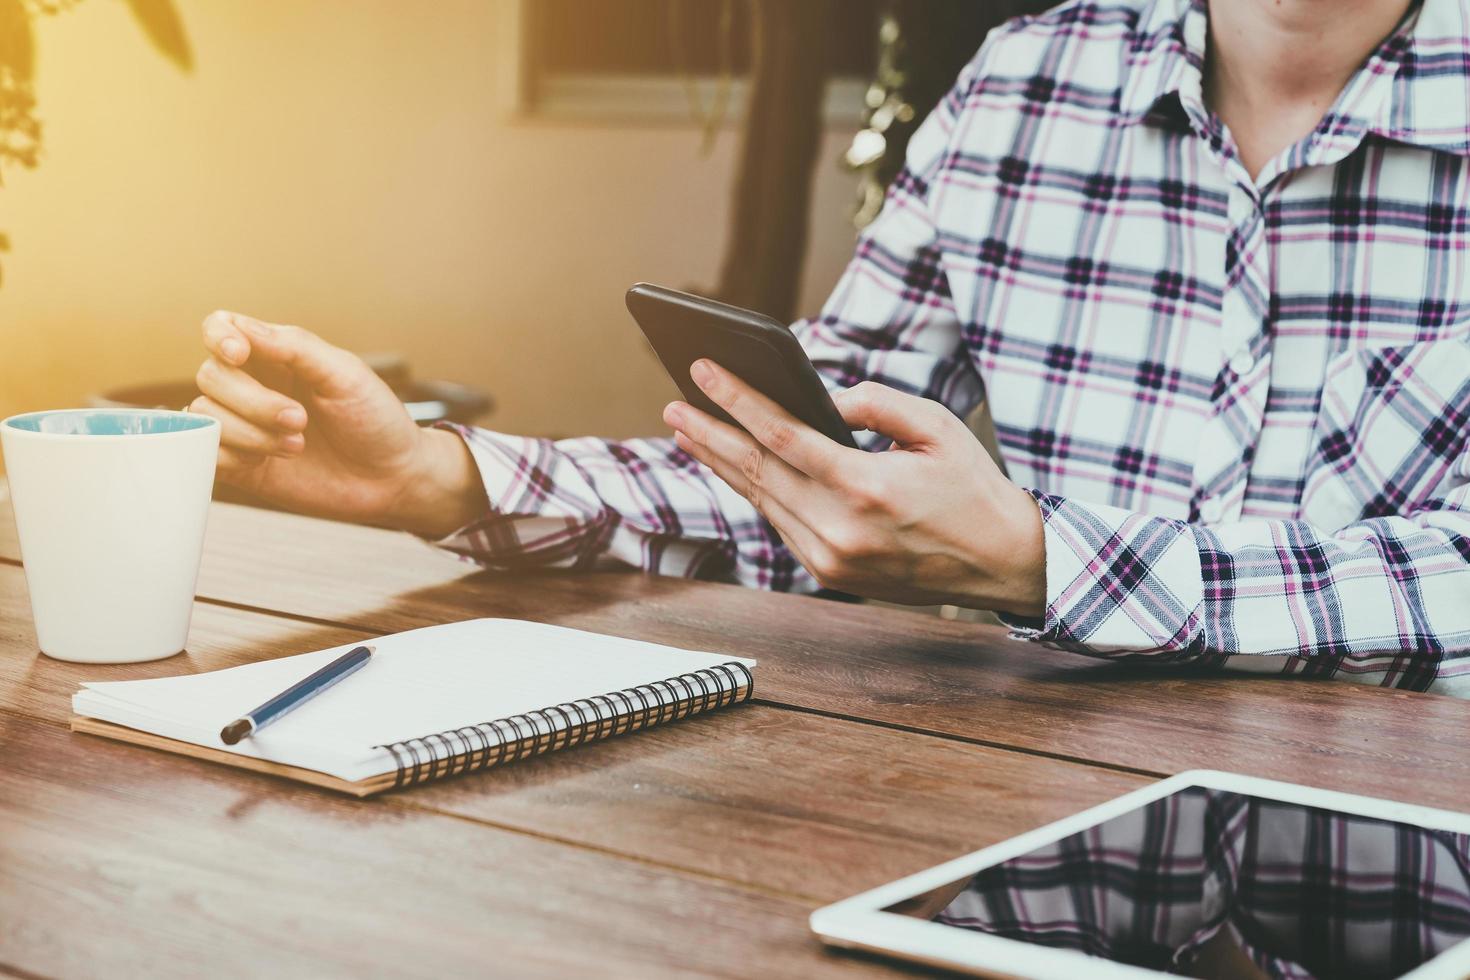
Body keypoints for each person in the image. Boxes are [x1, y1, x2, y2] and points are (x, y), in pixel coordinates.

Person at [192, 0, 1470, 694]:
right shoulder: (1025, 87)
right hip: (1003, 810)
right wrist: (441, 477)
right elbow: (808, 468)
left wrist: (1039, 558)